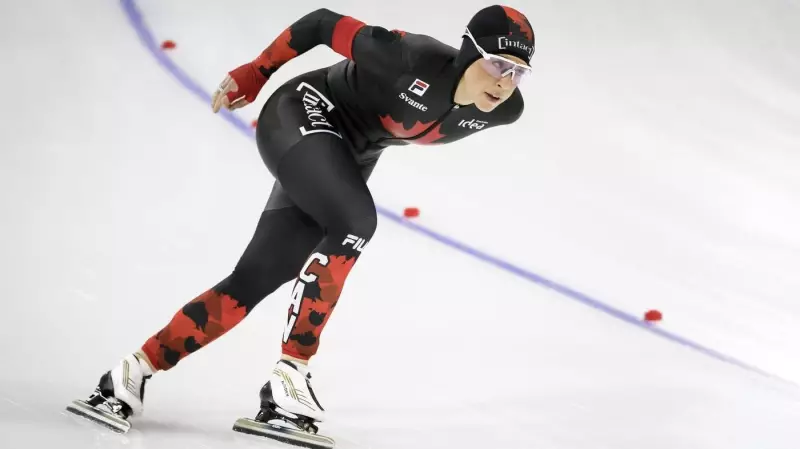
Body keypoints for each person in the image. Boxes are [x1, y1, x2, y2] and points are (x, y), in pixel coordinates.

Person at [69, 3, 535, 438]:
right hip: (302, 110)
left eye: (518, 72)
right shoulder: (408, 58)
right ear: (469, 53)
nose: (505, 81)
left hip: (346, 153)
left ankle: (130, 373)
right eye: (497, 64)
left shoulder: (505, 111)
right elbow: (319, 23)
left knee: (255, 278)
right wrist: (255, 72)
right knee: (355, 221)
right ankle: (291, 374)